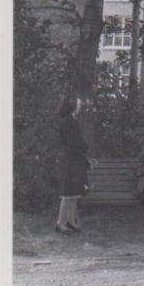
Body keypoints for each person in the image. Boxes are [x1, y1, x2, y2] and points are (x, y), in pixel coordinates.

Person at [55, 97, 90, 234]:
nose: (80, 107)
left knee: (75, 193)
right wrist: (84, 147)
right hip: (70, 161)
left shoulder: (73, 122)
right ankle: (60, 223)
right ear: (73, 106)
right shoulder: (68, 123)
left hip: (76, 160)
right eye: (79, 104)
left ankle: (71, 221)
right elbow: (72, 143)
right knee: (68, 193)